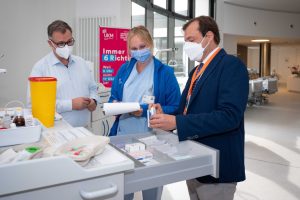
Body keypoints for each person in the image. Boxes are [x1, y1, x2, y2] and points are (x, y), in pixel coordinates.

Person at [149, 16, 249, 200]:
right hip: (194, 162)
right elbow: (185, 111)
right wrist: (167, 117)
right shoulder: (196, 72)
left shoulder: (231, 66)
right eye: (185, 41)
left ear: (208, 36)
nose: (186, 46)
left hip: (218, 168)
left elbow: (229, 117)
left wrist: (177, 121)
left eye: (191, 40)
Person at [109, 26, 181, 200]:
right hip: (123, 137)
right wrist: (114, 104)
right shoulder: (124, 70)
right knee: (124, 188)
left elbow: (176, 107)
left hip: (152, 139)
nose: (139, 52)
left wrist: (145, 111)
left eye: (142, 47)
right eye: (134, 49)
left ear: (150, 45)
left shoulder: (165, 73)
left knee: (151, 188)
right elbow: (113, 97)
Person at [27, 20, 100, 127]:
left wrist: (93, 101)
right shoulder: (41, 68)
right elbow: (35, 105)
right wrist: (70, 105)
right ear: (50, 43)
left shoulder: (81, 63)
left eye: (69, 42)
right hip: (56, 132)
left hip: (84, 130)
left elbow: (93, 88)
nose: (66, 47)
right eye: (61, 43)